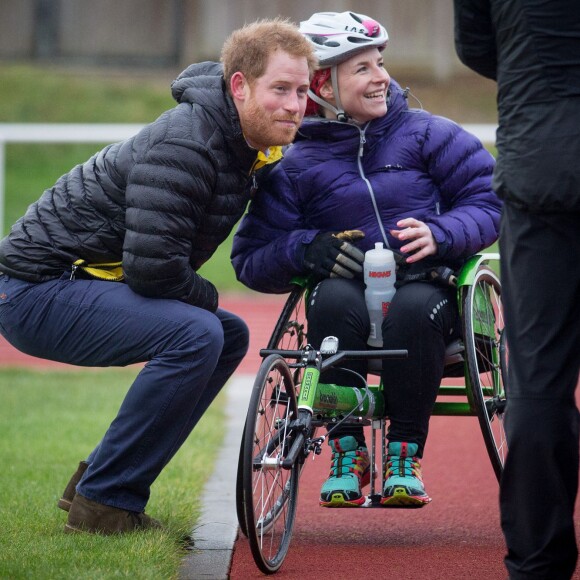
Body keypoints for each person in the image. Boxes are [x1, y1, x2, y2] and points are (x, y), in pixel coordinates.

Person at [0, 18, 316, 535]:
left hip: (81, 282)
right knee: (198, 332)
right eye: (280, 89)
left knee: (228, 334)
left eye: (303, 91)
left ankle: (97, 485)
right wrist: (209, 295)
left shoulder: (243, 141)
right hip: (32, 290)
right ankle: (105, 503)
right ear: (239, 87)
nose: (295, 104)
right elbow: (152, 271)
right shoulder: (187, 145)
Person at [232, 10, 501, 509]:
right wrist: (306, 248)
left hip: (430, 289)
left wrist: (442, 232)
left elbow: (491, 203)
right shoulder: (293, 167)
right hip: (349, 299)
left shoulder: (429, 134)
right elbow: (249, 259)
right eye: (362, 69)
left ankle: (404, 455)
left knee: (415, 310)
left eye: (380, 62)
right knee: (330, 299)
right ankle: (347, 452)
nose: (382, 77)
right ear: (323, 86)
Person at [454, 2, 580, 578]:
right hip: (541, 162)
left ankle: (537, 564)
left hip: (542, 166)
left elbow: (476, 47)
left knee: (537, 377)